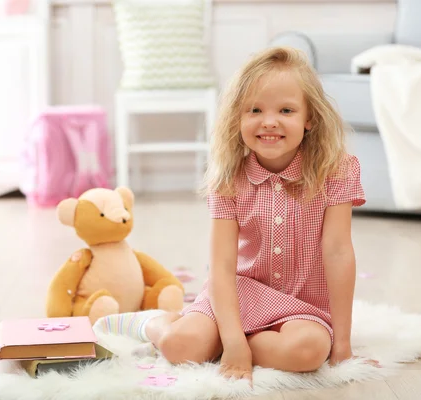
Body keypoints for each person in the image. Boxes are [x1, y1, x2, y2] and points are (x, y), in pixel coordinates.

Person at [94, 46, 379, 384]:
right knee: (178, 346)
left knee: (309, 352)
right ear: (237, 118)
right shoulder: (229, 178)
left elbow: (338, 252)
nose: (269, 121)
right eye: (254, 110)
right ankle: (153, 322)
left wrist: (342, 344)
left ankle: (223, 343)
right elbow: (223, 266)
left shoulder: (337, 171)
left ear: (309, 118)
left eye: (286, 110)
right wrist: (231, 340)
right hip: (238, 293)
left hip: (302, 305)